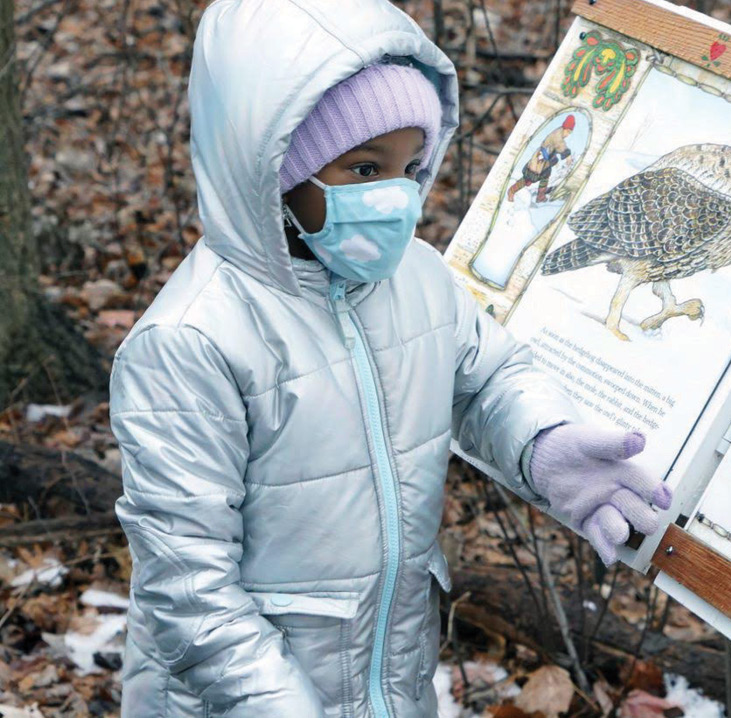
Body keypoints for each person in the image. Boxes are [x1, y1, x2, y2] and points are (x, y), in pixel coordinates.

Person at [108, 1, 672, 716]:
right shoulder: (190, 341)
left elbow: (488, 380)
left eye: (410, 168)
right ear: (273, 166)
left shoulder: (420, 279)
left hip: (390, 686)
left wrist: (543, 442)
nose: (396, 197)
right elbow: (189, 588)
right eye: (365, 167)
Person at [506, 114, 576, 203]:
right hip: (539, 160)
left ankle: (540, 196)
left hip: (545, 162)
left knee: (545, 178)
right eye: (568, 132)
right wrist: (568, 155)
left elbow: (554, 148)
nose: (568, 135)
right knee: (529, 178)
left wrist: (555, 160)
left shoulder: (559, 133)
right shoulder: (557, 134)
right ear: (565, 128)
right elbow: (560, 144)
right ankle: (512, 190)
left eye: (570, 133)